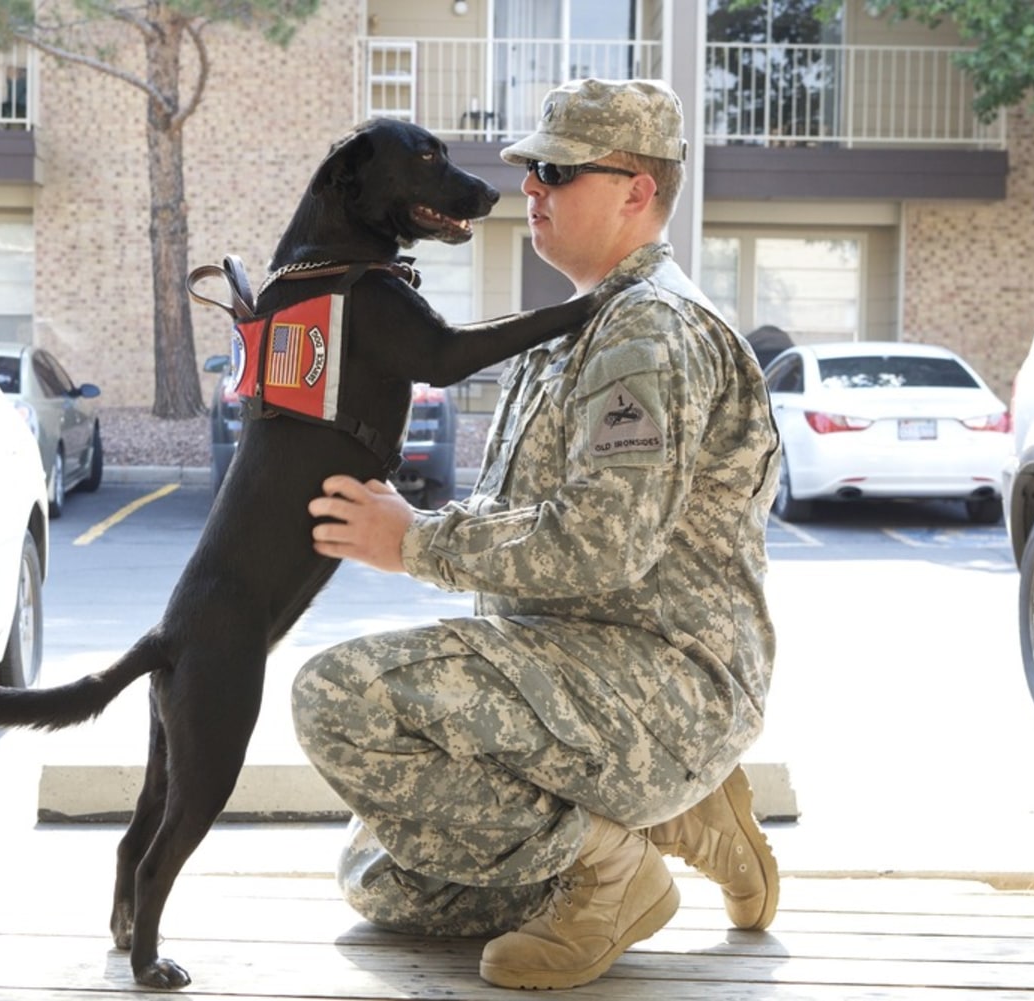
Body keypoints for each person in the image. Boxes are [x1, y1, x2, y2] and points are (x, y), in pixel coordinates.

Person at [292, 77, 781, 991]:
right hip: (567, 677)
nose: (530, 188)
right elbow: (534, 515)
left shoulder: (648, 335)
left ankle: (615, 869)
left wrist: (413, 542)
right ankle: (683, 816)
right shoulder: (582, 324)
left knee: (339, 700)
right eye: (530, 170)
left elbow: (599, 547)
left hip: (659, 677)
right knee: (388, 878)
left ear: (637, 189)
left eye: (557, 170)